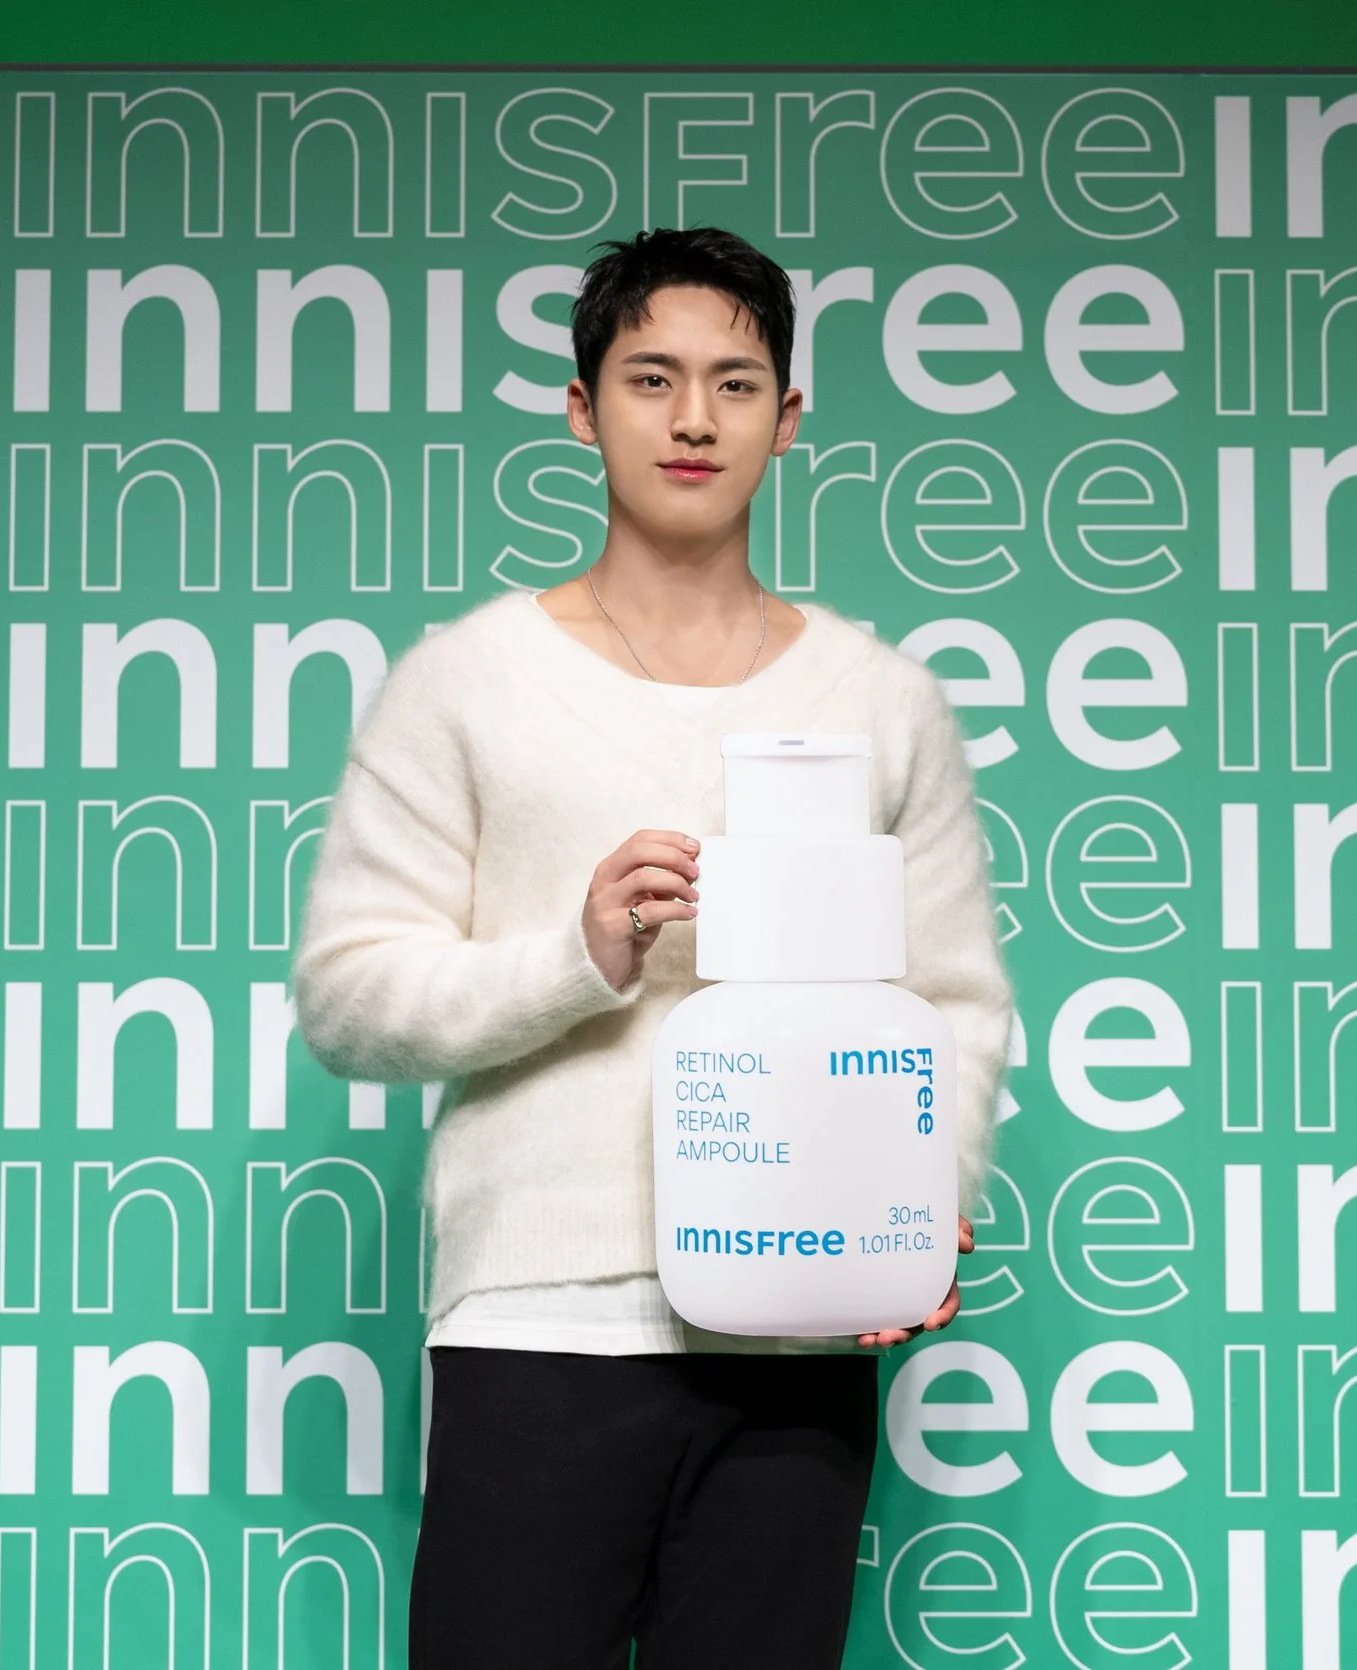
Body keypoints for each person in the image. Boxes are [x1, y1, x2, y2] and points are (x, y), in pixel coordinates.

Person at [292, 225, 1015, 1670]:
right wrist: (577, 957)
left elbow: (953, 1005)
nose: (694, 419)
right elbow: (348, 996)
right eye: (651, 378)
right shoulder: (465, 682)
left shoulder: (885, 701)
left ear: (788, 419)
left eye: (736, 384)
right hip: (540, 1323)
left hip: (797, 1328)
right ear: (583, 407)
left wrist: (922, 1203)